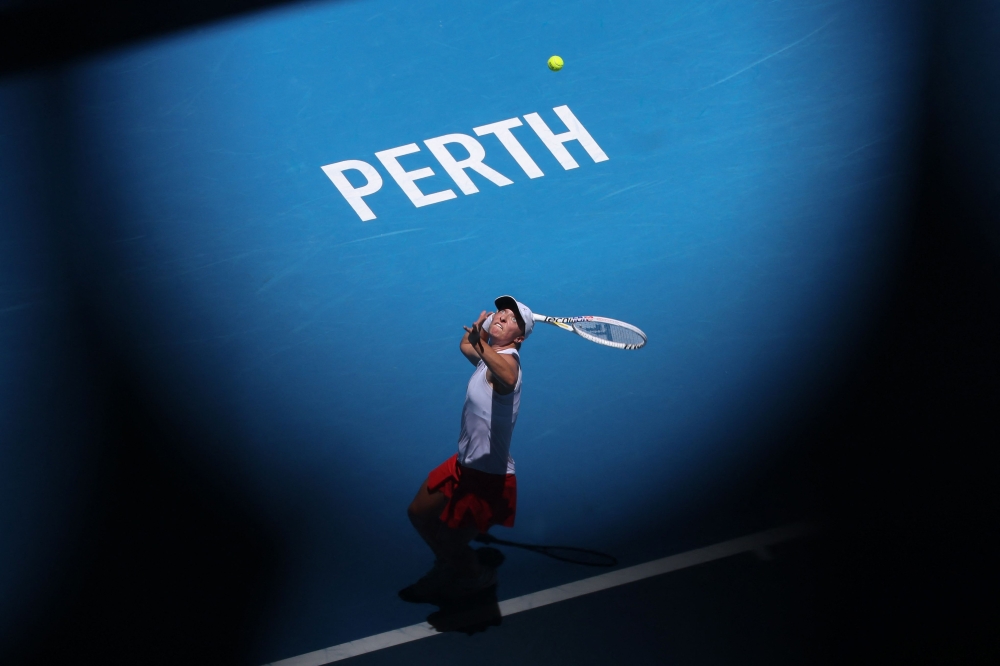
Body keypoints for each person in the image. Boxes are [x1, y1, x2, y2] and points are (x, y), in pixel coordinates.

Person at [400, 295, 534, 603]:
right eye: (501, 312)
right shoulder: (491, 354)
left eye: (512, 319)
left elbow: (509, 377)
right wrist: (480, 332)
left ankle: (476, 576)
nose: (502, 316)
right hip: (463, 464)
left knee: (450, 542)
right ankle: (451, 563)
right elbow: (466, 347)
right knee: (419, 514)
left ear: (520, 338)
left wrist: (483, 342)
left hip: (487, 476)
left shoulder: (507, 364)